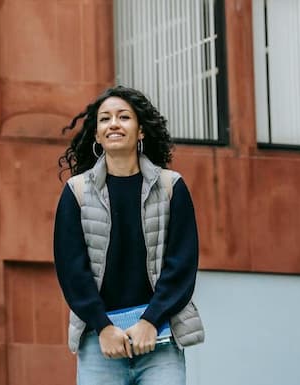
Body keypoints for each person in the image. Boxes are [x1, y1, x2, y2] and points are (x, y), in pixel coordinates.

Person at [53, 86, 205, 384]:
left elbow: (182, 265)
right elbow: (73, 271)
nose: (113, 124)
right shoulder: (77, 191)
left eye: (124, 117)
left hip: (159, 341)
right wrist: (103, 327)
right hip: (101, 344)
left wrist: (151, 321)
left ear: (141, 131)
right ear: (97, 135)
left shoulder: (171, 187)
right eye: (105, 119)